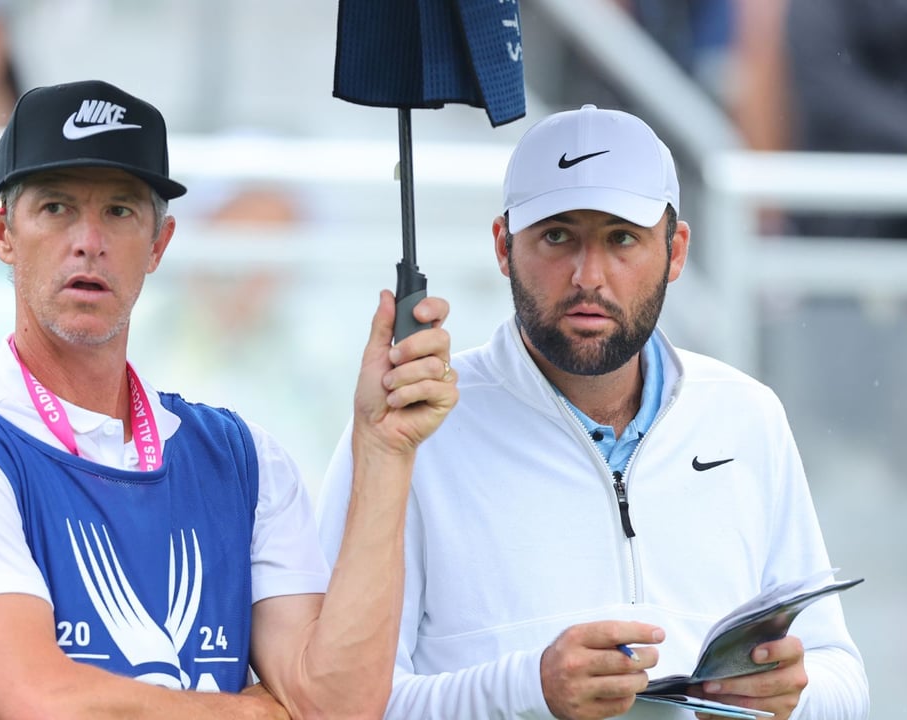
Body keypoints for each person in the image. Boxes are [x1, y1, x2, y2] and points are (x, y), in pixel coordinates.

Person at [0, 79, 459, 720]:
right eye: (55, 207)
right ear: (1, 232)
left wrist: (383, 451)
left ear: (159, 244)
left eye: (120, 211)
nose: (89, 240)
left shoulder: (245, 460)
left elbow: (336, 704)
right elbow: (37, 703)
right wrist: (258, 712)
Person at [316, 104, 869, 719]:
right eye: (558, 236)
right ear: (503, 246)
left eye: (621, 237)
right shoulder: (407, 433)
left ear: (675, 250)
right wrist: (530, 690)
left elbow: (840, 674)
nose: (589, 276)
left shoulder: (746, 414)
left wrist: (794, 697)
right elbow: (337, 705)